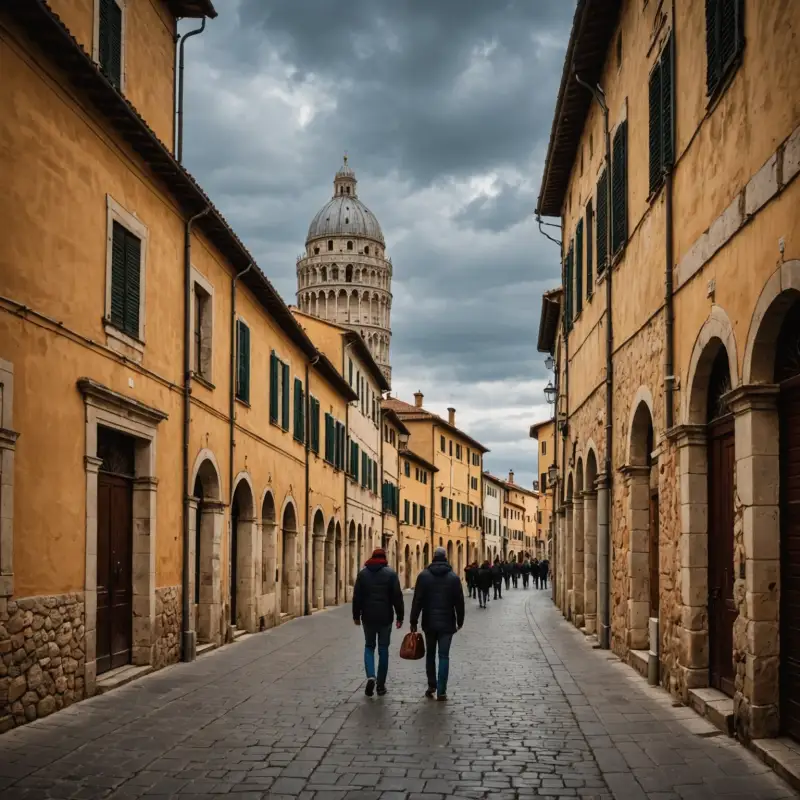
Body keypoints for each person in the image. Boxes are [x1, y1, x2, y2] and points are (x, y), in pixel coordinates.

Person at [410, 546, 465, 700]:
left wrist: (413, 620)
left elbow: (417, 600)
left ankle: (431, 685)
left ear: (433, 557)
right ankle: (442, 691)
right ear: (445, 557)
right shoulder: (453, 578)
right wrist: (460, 620)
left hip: (429, 622)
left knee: (430, 655)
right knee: (444, 656)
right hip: (447, 623)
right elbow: (459, 602)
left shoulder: (423, 576)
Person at [352, 547, 404, 697]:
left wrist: (356, 616)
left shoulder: (362, 574)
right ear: (384, 559)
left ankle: (371, 676)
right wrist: (400, 616)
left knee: (369, 646)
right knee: (383, 649)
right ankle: (381, 685)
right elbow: (397, 597)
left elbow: (357, 597)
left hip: (368, 616)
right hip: (385, 617)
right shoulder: (391, 574)